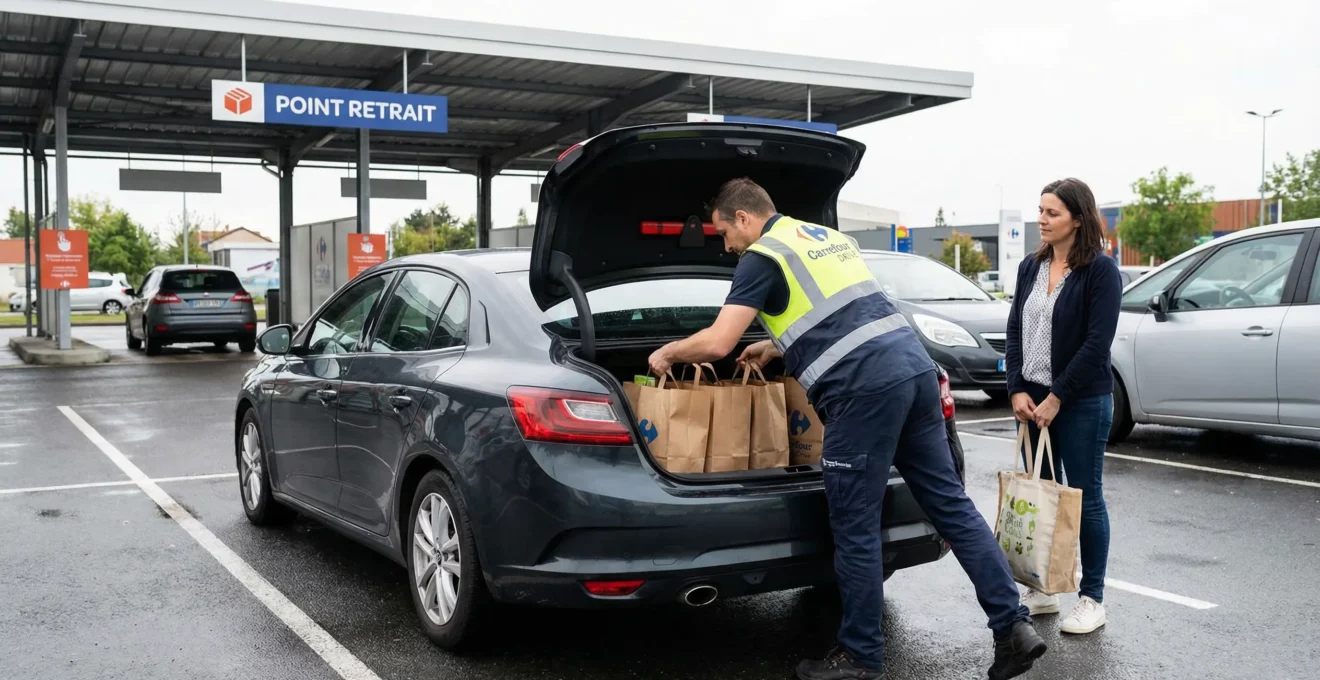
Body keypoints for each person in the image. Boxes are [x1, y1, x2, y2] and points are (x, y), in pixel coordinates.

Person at [647, 178, 1046, 680]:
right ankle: (1013, 627)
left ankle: (860, 656)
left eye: (724, 232)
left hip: (863, 394)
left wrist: (667, 353)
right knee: (952, 507)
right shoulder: (823, 238)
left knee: (855, 528)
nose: (724, 245)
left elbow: (718, 343)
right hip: (916, 373)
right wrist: (777, 347)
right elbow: (843, 312)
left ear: (744, 218)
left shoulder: (762, 256)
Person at [1004, 178, 1123, 635]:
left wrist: (1057, 397)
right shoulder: (1030, 267)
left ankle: (1092, 598)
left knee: (1084, 498)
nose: (1042, 219)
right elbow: (1015, 328)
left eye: (1052, 213)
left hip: (1080, 401)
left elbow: (1097, 344)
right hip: (1031, 400)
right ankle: (1045, 589)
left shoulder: (1100, 271)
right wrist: (1016, 388)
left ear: (1077, 217)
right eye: (1040, 210)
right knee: (1043, 498)